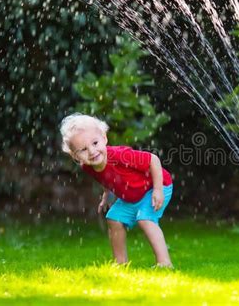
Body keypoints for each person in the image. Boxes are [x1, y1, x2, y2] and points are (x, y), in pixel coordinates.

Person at [60, 113, 174, 267]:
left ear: (104, 138)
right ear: (76, 156)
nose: (92, 152)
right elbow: (105, 177)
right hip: (132, 196)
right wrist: (106, 194)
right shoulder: (88, 166)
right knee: (113, 218)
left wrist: (158, 190)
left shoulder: (120, 156)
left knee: (145, 219)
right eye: (83, 150)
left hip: (157, 185)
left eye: (95, 143)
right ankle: (120, 263)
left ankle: (164, 263)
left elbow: (153, 160)